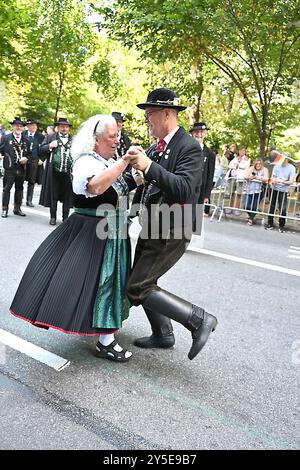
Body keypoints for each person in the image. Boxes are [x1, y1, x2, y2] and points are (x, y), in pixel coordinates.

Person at [10, 114, 132, 362]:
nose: (116, 141)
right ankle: (105, 341)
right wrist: (124, 164)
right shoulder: (86, 162)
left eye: (117, 136)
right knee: (97, 284)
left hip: (111, 231)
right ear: (96, 140)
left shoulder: (108, 160)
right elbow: (94, 188)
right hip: (91, 231)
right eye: (112, 137)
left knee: (102, 284)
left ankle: (102, 333)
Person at [123, 88, 217, 361]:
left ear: (166, 114)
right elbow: (147, 181)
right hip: (153, 223)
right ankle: (163, 334)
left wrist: (149, 167)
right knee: (141, 281)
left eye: (149, 114)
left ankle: (199, 319)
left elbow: (185, 189)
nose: (146, 120)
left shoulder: (188, 146)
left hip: (174, 226)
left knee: (137, 287)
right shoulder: (157, 146)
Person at [39, 117, 73, 225]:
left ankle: (65, 219)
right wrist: (49, 146)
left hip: (68, 173)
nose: (64, 129)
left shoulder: (74, 140)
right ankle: (53, 217)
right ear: (57, 128)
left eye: (66, 127)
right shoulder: (51, 137)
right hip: (54, 172)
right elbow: (41, 149)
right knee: (53, 195)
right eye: (62, 127)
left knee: (67, 197)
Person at [0, 117, 30, 218]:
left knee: (19, 189)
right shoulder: (5, 138)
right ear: (13, 127)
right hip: (9, 169)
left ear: (23, 128)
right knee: (6, 189)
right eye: (16, 125)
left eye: (20, 126)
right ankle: (4, 209)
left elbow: (30, 154)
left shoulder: (26, 140)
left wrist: (26, 158)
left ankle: (17, 208)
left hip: (21, 169)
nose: (18, 127)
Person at [189, 122, 216, 217]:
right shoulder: (184, 149)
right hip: (186, 188)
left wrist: (207, 194)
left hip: (200, 190)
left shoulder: (209, 154)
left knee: (196, 218)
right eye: (196, 131)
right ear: (192, 133)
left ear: (205, 134)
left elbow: (210, 175)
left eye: (201, 132)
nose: (199, 134)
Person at [265, 152, 296, 233]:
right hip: (274, 188)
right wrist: (273, 181)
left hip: (283, 190)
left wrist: (281, 181)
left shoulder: (292, 168)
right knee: (272, 206)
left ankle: (281, 225)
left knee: (282, 208)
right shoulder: (277, 166)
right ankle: (270, 223)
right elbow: (273, 177)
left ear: (287, 159)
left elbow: (291, 181)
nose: (281, 158)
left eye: (283, 157)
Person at [23, 118, 44, 207]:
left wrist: (42, 159)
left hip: (35, 161)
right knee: (20, 180)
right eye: (32, 125)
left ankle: (29, 200)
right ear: (27, 126)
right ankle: (19, 199)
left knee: (32, 181)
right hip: (23, 160)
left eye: (35, 125)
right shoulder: (23, 134)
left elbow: (44, 149)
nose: (34, 127)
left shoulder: (40, 137)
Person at [244, 158, 269, 225]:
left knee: (254, 207)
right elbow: (245, 176)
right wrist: (251, 177)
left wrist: (258, 178)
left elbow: (266, 179)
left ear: (261, 164)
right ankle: (251, 216)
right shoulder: (251, 168)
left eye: (259, 164)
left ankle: (251, 219)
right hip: (249, 189)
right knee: (246, 206)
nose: (258, 165)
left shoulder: (265, 169)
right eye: (257, 164)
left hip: (258, 191)